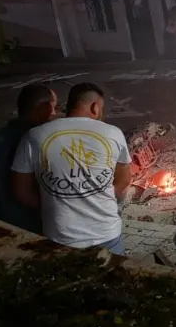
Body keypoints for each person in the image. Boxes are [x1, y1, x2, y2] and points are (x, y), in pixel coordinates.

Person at [10, 82, 131, 255]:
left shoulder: (34, 136)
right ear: (95, 107)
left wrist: (52, 204)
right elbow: (124, 180)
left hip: (59, 237)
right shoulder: (113, 133)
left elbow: (21, 192)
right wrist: (99, 197)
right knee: (116, 279)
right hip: (106, 234)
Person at [0, 84, 57, 234]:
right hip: (36, 227)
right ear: (43, 109)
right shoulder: (42, 143)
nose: (54, 114)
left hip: (2, 225)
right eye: (53, 108)